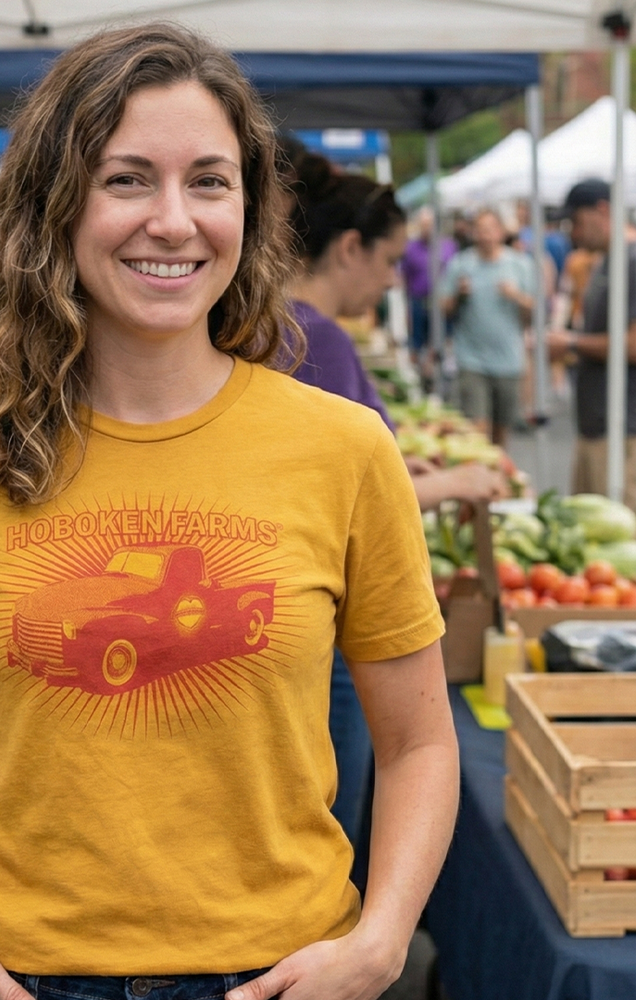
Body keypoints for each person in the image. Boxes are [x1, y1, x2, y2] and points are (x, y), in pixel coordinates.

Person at [0, 24, 459, 1000]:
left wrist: (380, 940)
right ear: (55, 204)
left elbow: (418, 739)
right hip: (20, 974)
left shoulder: (343, 448)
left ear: (247, 206)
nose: (173, 220)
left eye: (208, 181)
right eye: (126, 180)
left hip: (282, 970)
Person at [276, 136, 505, 845]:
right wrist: (460, 483)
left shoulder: (286, 331)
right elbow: (346, 498)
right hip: (338, 623)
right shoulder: (318, 339)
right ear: (348, 248)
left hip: (313, 613)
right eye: (385, 261)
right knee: (331, 823)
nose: (390, 281)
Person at [547, 178, 636, 509]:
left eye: (578, 221)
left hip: (623, 428)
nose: (574, 233)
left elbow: (632, 345)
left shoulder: (632, 260)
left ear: (603, 211)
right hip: (596, 423)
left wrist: (571, 343)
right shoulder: (604, 262)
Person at [441, 209, 535, 446]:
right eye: (480, 230)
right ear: (473, 233)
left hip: (508, 359)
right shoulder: (460, 264)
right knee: (477, 429)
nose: (485, 236)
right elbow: (444, 308)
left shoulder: (520, 264)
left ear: (501, 232)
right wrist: (458, 296)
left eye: (490, 229)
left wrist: (516, 296)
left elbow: (536, 310)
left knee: (501, 432)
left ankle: (497, 478)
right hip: (471, 359)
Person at [399, 206, 456, 386]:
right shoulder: (410, 248)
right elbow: (404, 277)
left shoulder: (448, 246)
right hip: (418, 302)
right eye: (423, 225)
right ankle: (421, 378)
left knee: (440, 341)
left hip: (441, 304)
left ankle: (439, 378)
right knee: (417, 343)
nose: (426, 229)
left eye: (429, 225)